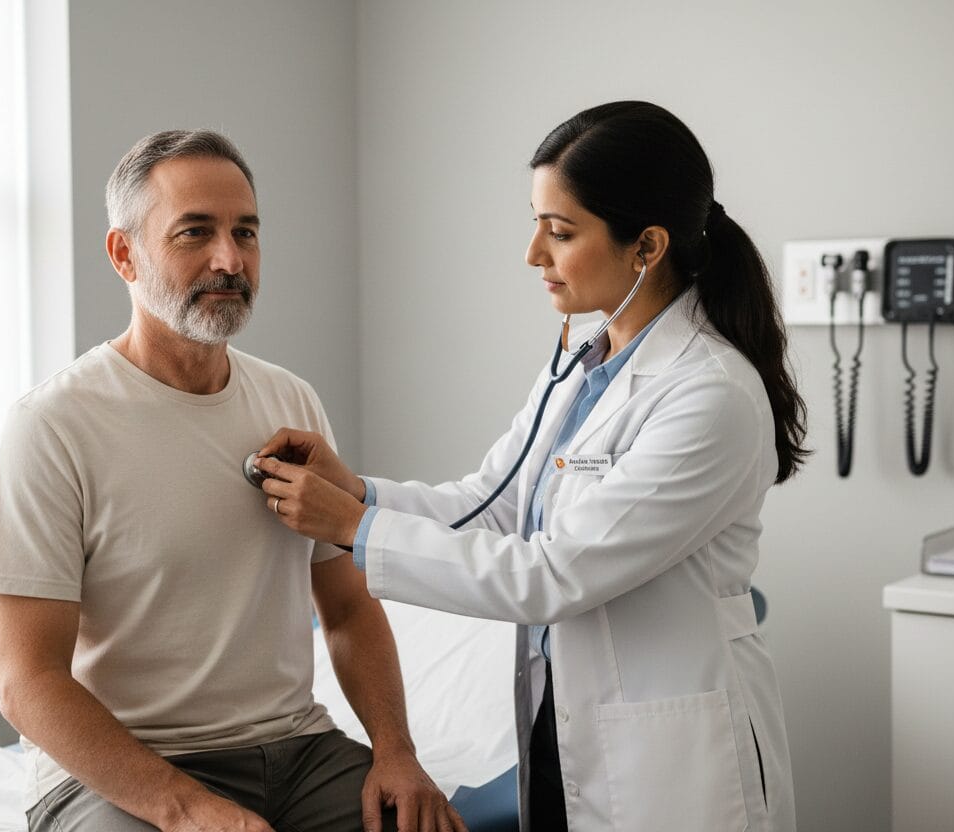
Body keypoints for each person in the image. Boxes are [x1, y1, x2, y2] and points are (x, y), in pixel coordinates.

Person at [252, 101, 805, 831]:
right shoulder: (587, 363)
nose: (533, 254)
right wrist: (354, 490)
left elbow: (552, 574)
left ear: (647, 246)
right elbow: (494, 502)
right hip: (561, 722)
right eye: (536, 223)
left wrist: (356, 528)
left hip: (668, 755)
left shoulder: (711, 396)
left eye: (560, 231)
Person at [0, 130, 464, 832]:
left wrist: (397, 753)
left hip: (297, 752)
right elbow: (27, 683)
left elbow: (349, 611)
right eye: (195, 232)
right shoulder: (52, 427)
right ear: (124, 255)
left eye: (246, 233)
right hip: (123, 770)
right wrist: (188, 809)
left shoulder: (292, 403)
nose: (229, 260)